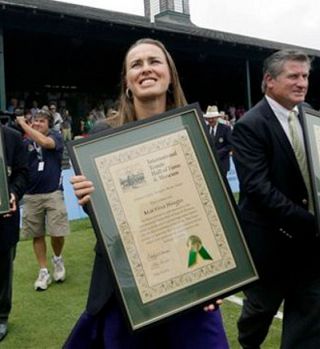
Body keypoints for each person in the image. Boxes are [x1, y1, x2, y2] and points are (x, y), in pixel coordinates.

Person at [65, 38, 229, 349]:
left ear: (170, 75)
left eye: (154, 61)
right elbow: (106, 221)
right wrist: (88, 198)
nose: (146, 69)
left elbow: (215, 209)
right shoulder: (102, 134)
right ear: (127, 82)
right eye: (136, 65)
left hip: (189, 279)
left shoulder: (193, 130)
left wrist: (221, 276)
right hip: (126, 286)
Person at [232, 49, 320, 348]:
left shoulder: (309, 116)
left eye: (305, 76)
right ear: (269, 81)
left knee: (309, 317)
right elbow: (259, 189)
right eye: (293, 76)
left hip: (309, 247)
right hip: (270, 245)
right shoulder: (250, 125)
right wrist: (310, 222)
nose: (302, 82)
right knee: (259, 313)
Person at [16, 108, 69, 291]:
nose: (37, 124)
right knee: (37, 234)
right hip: (31, 195)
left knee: (57, 232)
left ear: (48, 124)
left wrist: (23, 125)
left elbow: (45, 143)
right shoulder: (24, 142)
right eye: (34, 121)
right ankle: (44, 270)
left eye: (41, 121)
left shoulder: (56, 136)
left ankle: (58, 258)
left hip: (53, 192)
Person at [0, 123, 29, 341]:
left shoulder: (12, 137)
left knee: (3, 269)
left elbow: (22, 174)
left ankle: (1, 316)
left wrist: (13, 193)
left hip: (4, 218)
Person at [204, 105, 232, 176]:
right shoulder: (204, 129)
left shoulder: (226, 128)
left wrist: (217, 154)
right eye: (208, 118)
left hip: (222, 164)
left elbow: (230, 145)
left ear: (217, 118)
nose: (210, 120)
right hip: (209, 165)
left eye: (212, 118)